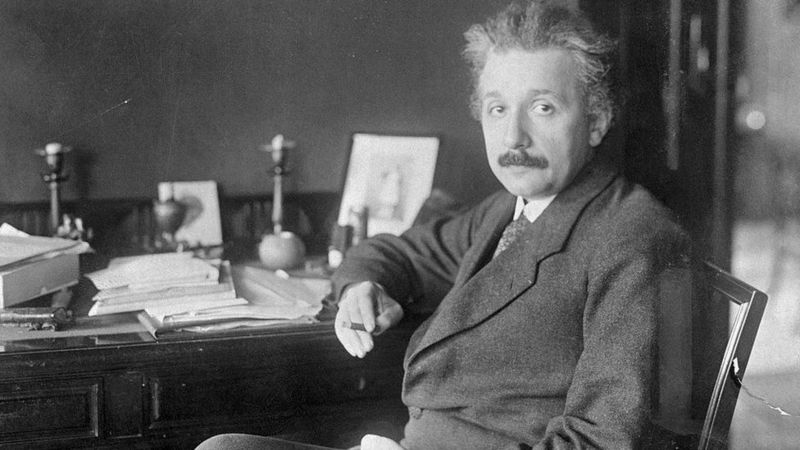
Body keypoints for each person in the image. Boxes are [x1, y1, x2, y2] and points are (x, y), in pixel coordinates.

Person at [197, 1, 688, 449]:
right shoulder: (509, 210)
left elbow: (601, 442)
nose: (513, 137)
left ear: (597, 120)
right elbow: (396, 253)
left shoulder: (632, 236)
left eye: (543, 108)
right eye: (497, 109)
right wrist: (362, 287)